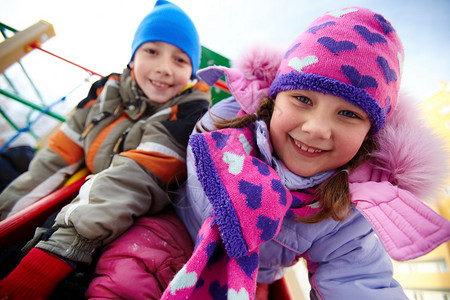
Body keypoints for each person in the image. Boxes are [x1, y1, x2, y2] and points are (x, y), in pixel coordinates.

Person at [160, 7, 450, 299]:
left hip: (247, 285)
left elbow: (357, 279)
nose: (317, 129)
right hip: (166, 237)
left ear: (368, 135)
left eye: (348, 113)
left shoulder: (348, 210)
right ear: (275, 98)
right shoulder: (223, 127)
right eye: (302, 99)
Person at [0, 0, 210, 298]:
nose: (164, 68)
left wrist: (59, 251)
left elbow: (134, 179)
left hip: (125, 214)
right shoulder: (105, 90)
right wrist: (8, 216)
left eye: (180, 60)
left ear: (192, 72)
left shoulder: (189, 111)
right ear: (133, 56)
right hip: (87, 189)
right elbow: (56, 158)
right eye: (152, 51)